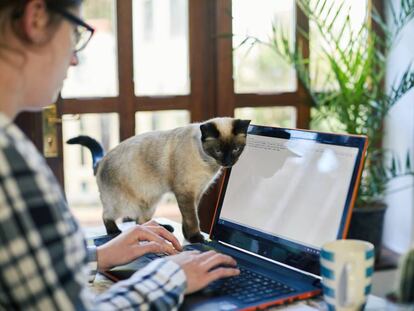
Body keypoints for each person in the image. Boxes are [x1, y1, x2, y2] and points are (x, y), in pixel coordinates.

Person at [0, 0, 240, 310]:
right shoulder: (10, 162)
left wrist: (99, 256)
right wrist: (170, 276)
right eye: (75, 34)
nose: (74, 59)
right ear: (36, 18)